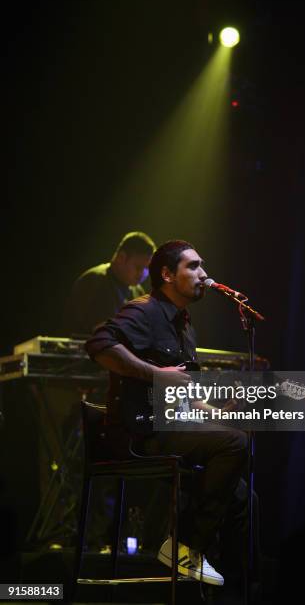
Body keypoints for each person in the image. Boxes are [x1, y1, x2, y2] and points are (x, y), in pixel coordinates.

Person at [85, 240, 249, 586]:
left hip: (170, 426)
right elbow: (98, 344)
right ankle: (184, 547)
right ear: (166, 274)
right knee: (234, 444)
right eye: (193, 266)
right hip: (139, 433)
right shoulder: (144, 310)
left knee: (244, 496)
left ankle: (236, 586)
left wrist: (216, 410)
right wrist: (154, 373)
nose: (203, 274)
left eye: (202, 265)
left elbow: (181, 395)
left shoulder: (186, 327)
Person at [63, 231, 156, 336]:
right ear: (121, 258)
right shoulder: (95, 281)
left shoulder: (137, 291)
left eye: (147, 268)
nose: (143, 274)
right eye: (138, 267)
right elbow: (103, 333)